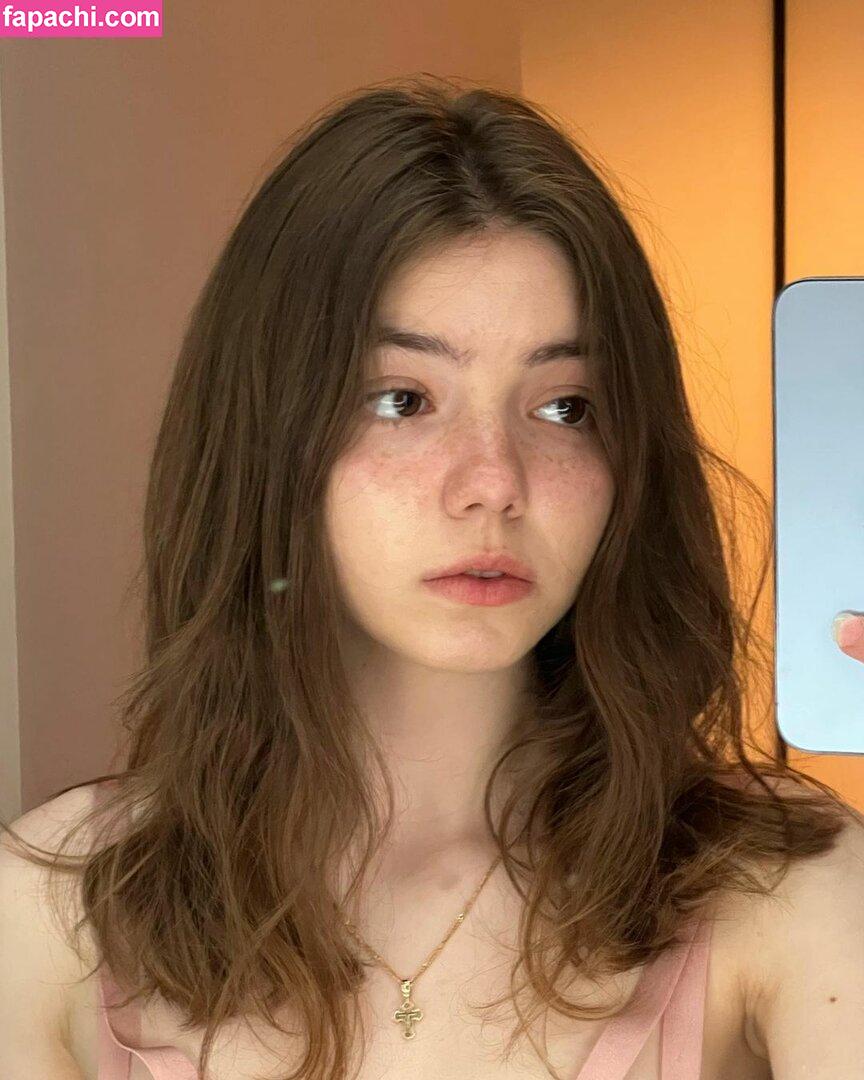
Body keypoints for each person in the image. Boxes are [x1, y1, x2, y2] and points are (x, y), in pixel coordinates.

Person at [1, 73, 863, 1080]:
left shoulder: (781, 887)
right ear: (267, 435)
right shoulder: (51, 913)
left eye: (565, 407)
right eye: (403, 400)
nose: (494, 483)